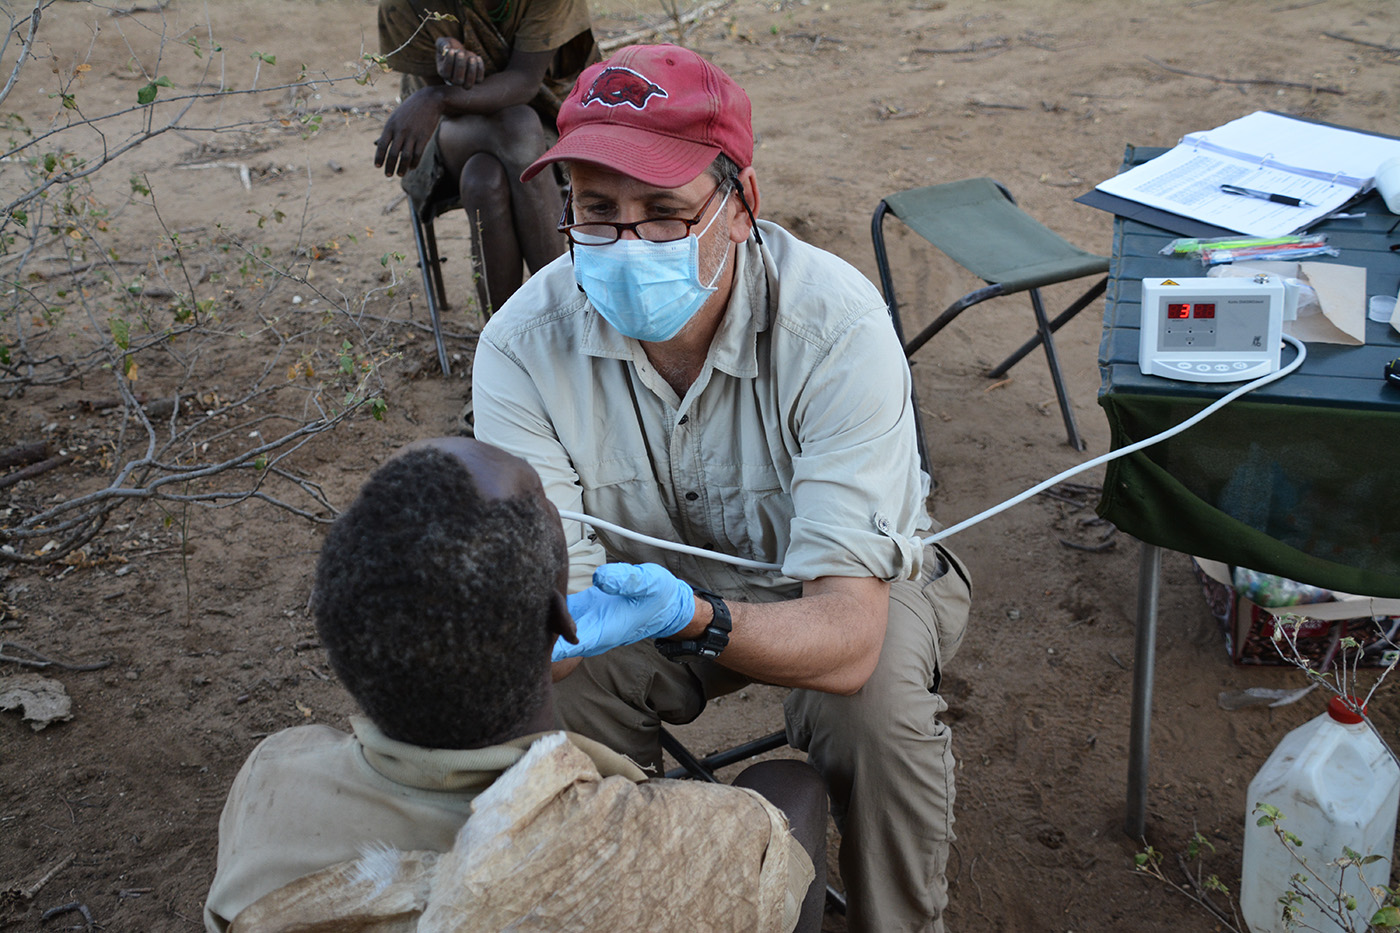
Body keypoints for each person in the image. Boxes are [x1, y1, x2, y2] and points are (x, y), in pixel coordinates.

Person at [471, 43, 974, 933]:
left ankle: (899, 923)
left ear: (742, 205)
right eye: (597, 210)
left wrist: (696, 615)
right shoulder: (520, 345)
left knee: (879, 711)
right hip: (638, 598)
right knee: (543, 708)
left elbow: (850, 635)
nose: (628, 244)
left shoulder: (837, 326)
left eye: (665, 211)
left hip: (836, 588)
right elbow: (566, 604)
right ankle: (615, 896)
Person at [202, 438, 827, 933]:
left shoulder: (270, 779)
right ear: (563, 622)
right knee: (788, 789)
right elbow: (771, 830)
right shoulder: (657, 854)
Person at [374, 0, 598, 313]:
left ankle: (500, 340)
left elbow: (524, 81)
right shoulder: (409, 5)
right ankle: (566, 316)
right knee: (517, 129)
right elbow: (447, 115)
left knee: (484, 178)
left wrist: (435, 96)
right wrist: (444, 74)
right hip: (445, 137)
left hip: (548, 121)